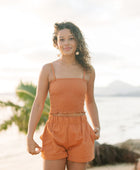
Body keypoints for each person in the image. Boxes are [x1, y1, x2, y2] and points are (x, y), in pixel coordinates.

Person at [27, 21, 100, 170]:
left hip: (80, 131)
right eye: (62, 39)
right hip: (55, 131)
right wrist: (30, 136)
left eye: (71, 38)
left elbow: (90, 101)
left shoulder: (88, 71)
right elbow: (38, 103)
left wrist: (96, 125)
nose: (66, 43)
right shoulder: (48, 69)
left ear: (78, 41)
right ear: (56, 43)